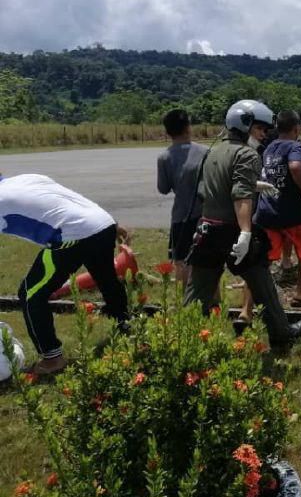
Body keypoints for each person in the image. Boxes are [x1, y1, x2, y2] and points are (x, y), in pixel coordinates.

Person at [185, 99, 301, 345]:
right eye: (261, 129)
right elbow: (240, 194)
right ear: (245, 125)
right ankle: (282, 334)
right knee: (263, 285)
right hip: (233, 231)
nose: (264, 135)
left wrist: (258, 184)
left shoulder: (213, 152)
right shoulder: (247, 154)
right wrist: (245, 232)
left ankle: (183, 339)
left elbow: (212, 187)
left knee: (197, 291)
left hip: (207, 229)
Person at [1, 173, 130, 375]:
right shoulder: (26, 178)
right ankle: (128, 327)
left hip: (73, 235)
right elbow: (68, 197)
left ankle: (52, 359)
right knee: (106, 278)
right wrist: (112, 224)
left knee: (31, 294)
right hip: (102, 223)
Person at [255, 110, 301, 308]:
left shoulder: (269, 148)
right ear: (296, 128)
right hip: (292, 211)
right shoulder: (296, 146)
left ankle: (262, 297)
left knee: (264, 257)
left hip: (267, 211)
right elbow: (294, 167)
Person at [157, 109, 208, 285]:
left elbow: (163, 188)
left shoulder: (164, 157)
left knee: (181, 262)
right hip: (206, 215)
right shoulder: (206, 152)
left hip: (180, 216)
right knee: (209, 261)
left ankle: (184, 302)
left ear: (167, 131)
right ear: (188, 128)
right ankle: (214, 302)